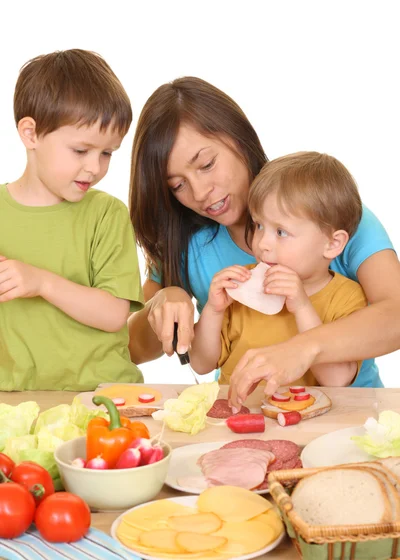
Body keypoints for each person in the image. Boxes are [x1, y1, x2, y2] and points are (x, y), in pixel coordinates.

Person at [128, 77, 400, 397]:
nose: (200, 193)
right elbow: (131, 348)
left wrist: (303, 349)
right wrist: (165, 298)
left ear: (239, 138)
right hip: (245, 416)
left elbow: (395, 312)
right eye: (177, 185)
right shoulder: (187, 243)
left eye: (206, 164)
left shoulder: (326, 212)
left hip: (350, 413)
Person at [0, 49, 144, 391]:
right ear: (30, 133)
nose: (95, 167)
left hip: (102, 397)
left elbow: (113, 316)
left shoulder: (106, 214)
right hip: (14, 400)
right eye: (81, 151)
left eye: (107, 153)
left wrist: (42, 283)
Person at [190, 151, 367, 388]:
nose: (262, 243)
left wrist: (302, 306)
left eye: (281, 232)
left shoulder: (346, 298)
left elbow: (337, 380)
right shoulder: (240, 287)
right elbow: (201, 364)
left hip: (306, 422)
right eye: (259, 225)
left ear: (332, 244)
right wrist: (213, 310)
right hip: (236, 418)